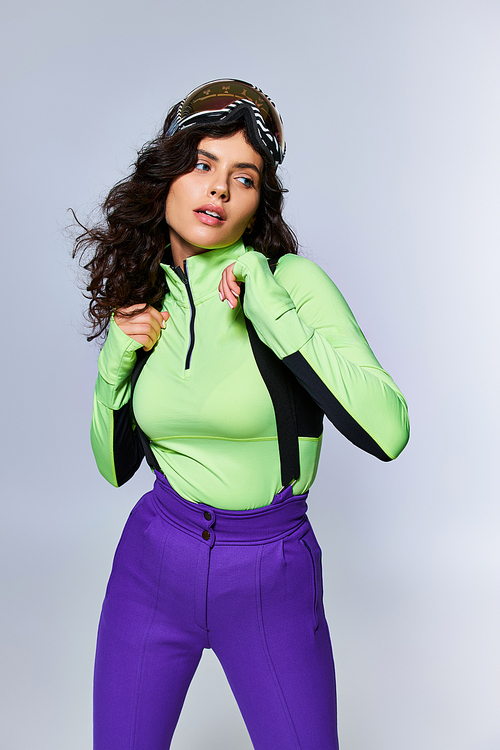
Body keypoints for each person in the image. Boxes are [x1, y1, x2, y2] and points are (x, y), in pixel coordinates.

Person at [75, 79, 409, 750]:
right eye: (202, 165)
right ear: (165, 174)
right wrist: (115, 363)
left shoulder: (290, 285)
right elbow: (114, 469)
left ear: (259, 201)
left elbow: (389, 430)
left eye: (244, 177)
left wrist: (275, 317)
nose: (220, 189)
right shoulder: (147, 297)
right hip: (152, 565)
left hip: (268, 574)